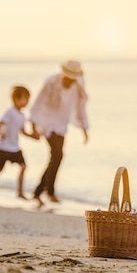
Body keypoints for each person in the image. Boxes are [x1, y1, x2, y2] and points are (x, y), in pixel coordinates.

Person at [29, 60, 89, 207]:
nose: (70, 80)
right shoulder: (51, 81)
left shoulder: (78, 84)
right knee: (57, 155)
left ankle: (39, 192)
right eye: (68, 77)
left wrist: (84, 128)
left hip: (62, 124)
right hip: (47, 122)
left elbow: (81, 107)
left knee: (56, 157)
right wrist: (33, 125)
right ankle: (49, 192)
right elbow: (38, 102)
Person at [0, 86, 39, 203]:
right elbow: (0, 123)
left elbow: (23, 131)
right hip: (3, 147)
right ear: (16, 99)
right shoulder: (10, 112)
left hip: (14, 147)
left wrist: (33, 137)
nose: (27, 101)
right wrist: (0, 133)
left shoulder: (22, 115)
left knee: (23, 166)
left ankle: (19, 192)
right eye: (25, 98)